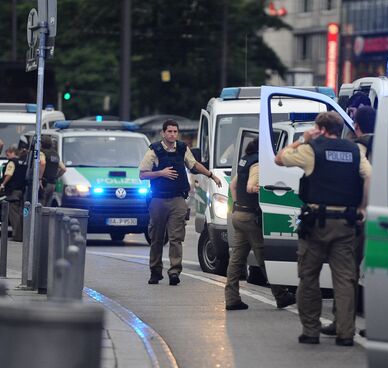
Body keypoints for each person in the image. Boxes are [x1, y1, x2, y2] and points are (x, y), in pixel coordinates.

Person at [275, 111, 370, 346]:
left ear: (321, 129)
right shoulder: (355, 151)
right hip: (346, 222)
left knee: (308, 276)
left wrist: (303, 139)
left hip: (316, 222)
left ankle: (311, 330)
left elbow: (280, 158)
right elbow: (369, 176)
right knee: (345, 279)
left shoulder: (311, 149)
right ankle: (346, 333)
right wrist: (362, 208)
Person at [139, 120, 222, 285]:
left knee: (176, 238)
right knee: (156, 238)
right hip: (158, 199)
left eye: (175, 131)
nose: (172, 134)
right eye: (169, 131)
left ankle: (174, 272)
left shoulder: (183, 148)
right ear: (163, 133)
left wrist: (211, 175)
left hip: (177, 199)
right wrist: (160, 173)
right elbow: (142, 174)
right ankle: (155, 271)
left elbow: (194, 165)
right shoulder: (154, 151)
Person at [320, 105, 376, 337]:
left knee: (346, 272)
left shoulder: (358, 147)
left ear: (357, 125)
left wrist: (361, 207)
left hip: (360, 217)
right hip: (385, 215)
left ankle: (342, 322)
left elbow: (362, 177)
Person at [225, 137, 296, 310]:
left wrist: (237, 205)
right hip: (250, 217)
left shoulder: (245, 160)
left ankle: (232, 298)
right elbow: (250, 187)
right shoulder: (257, 163)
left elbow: (233, 186)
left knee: (236, 259)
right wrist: (263, 189)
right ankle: (281, 295)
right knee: (264, 255)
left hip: (239, 214)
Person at [0, 146, 27, 242]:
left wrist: (2, 184)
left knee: (13, 213)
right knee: (19, 213)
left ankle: (17, 235)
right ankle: (21, 234)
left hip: (12, 191)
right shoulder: (22, 162)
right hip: (21, 190)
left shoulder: (12, 162)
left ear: (11, 152)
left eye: (7, 153)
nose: (6, 156)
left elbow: (9, 174)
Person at [39, 136, 66, 206]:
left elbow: (43, 163)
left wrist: (40, 178)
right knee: (47, 206)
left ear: (41, 144)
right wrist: (56, 176)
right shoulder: (56, 154)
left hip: (44, 183)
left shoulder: (42, 153)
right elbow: (63, 169)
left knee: (40, 205)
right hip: (53, 184)